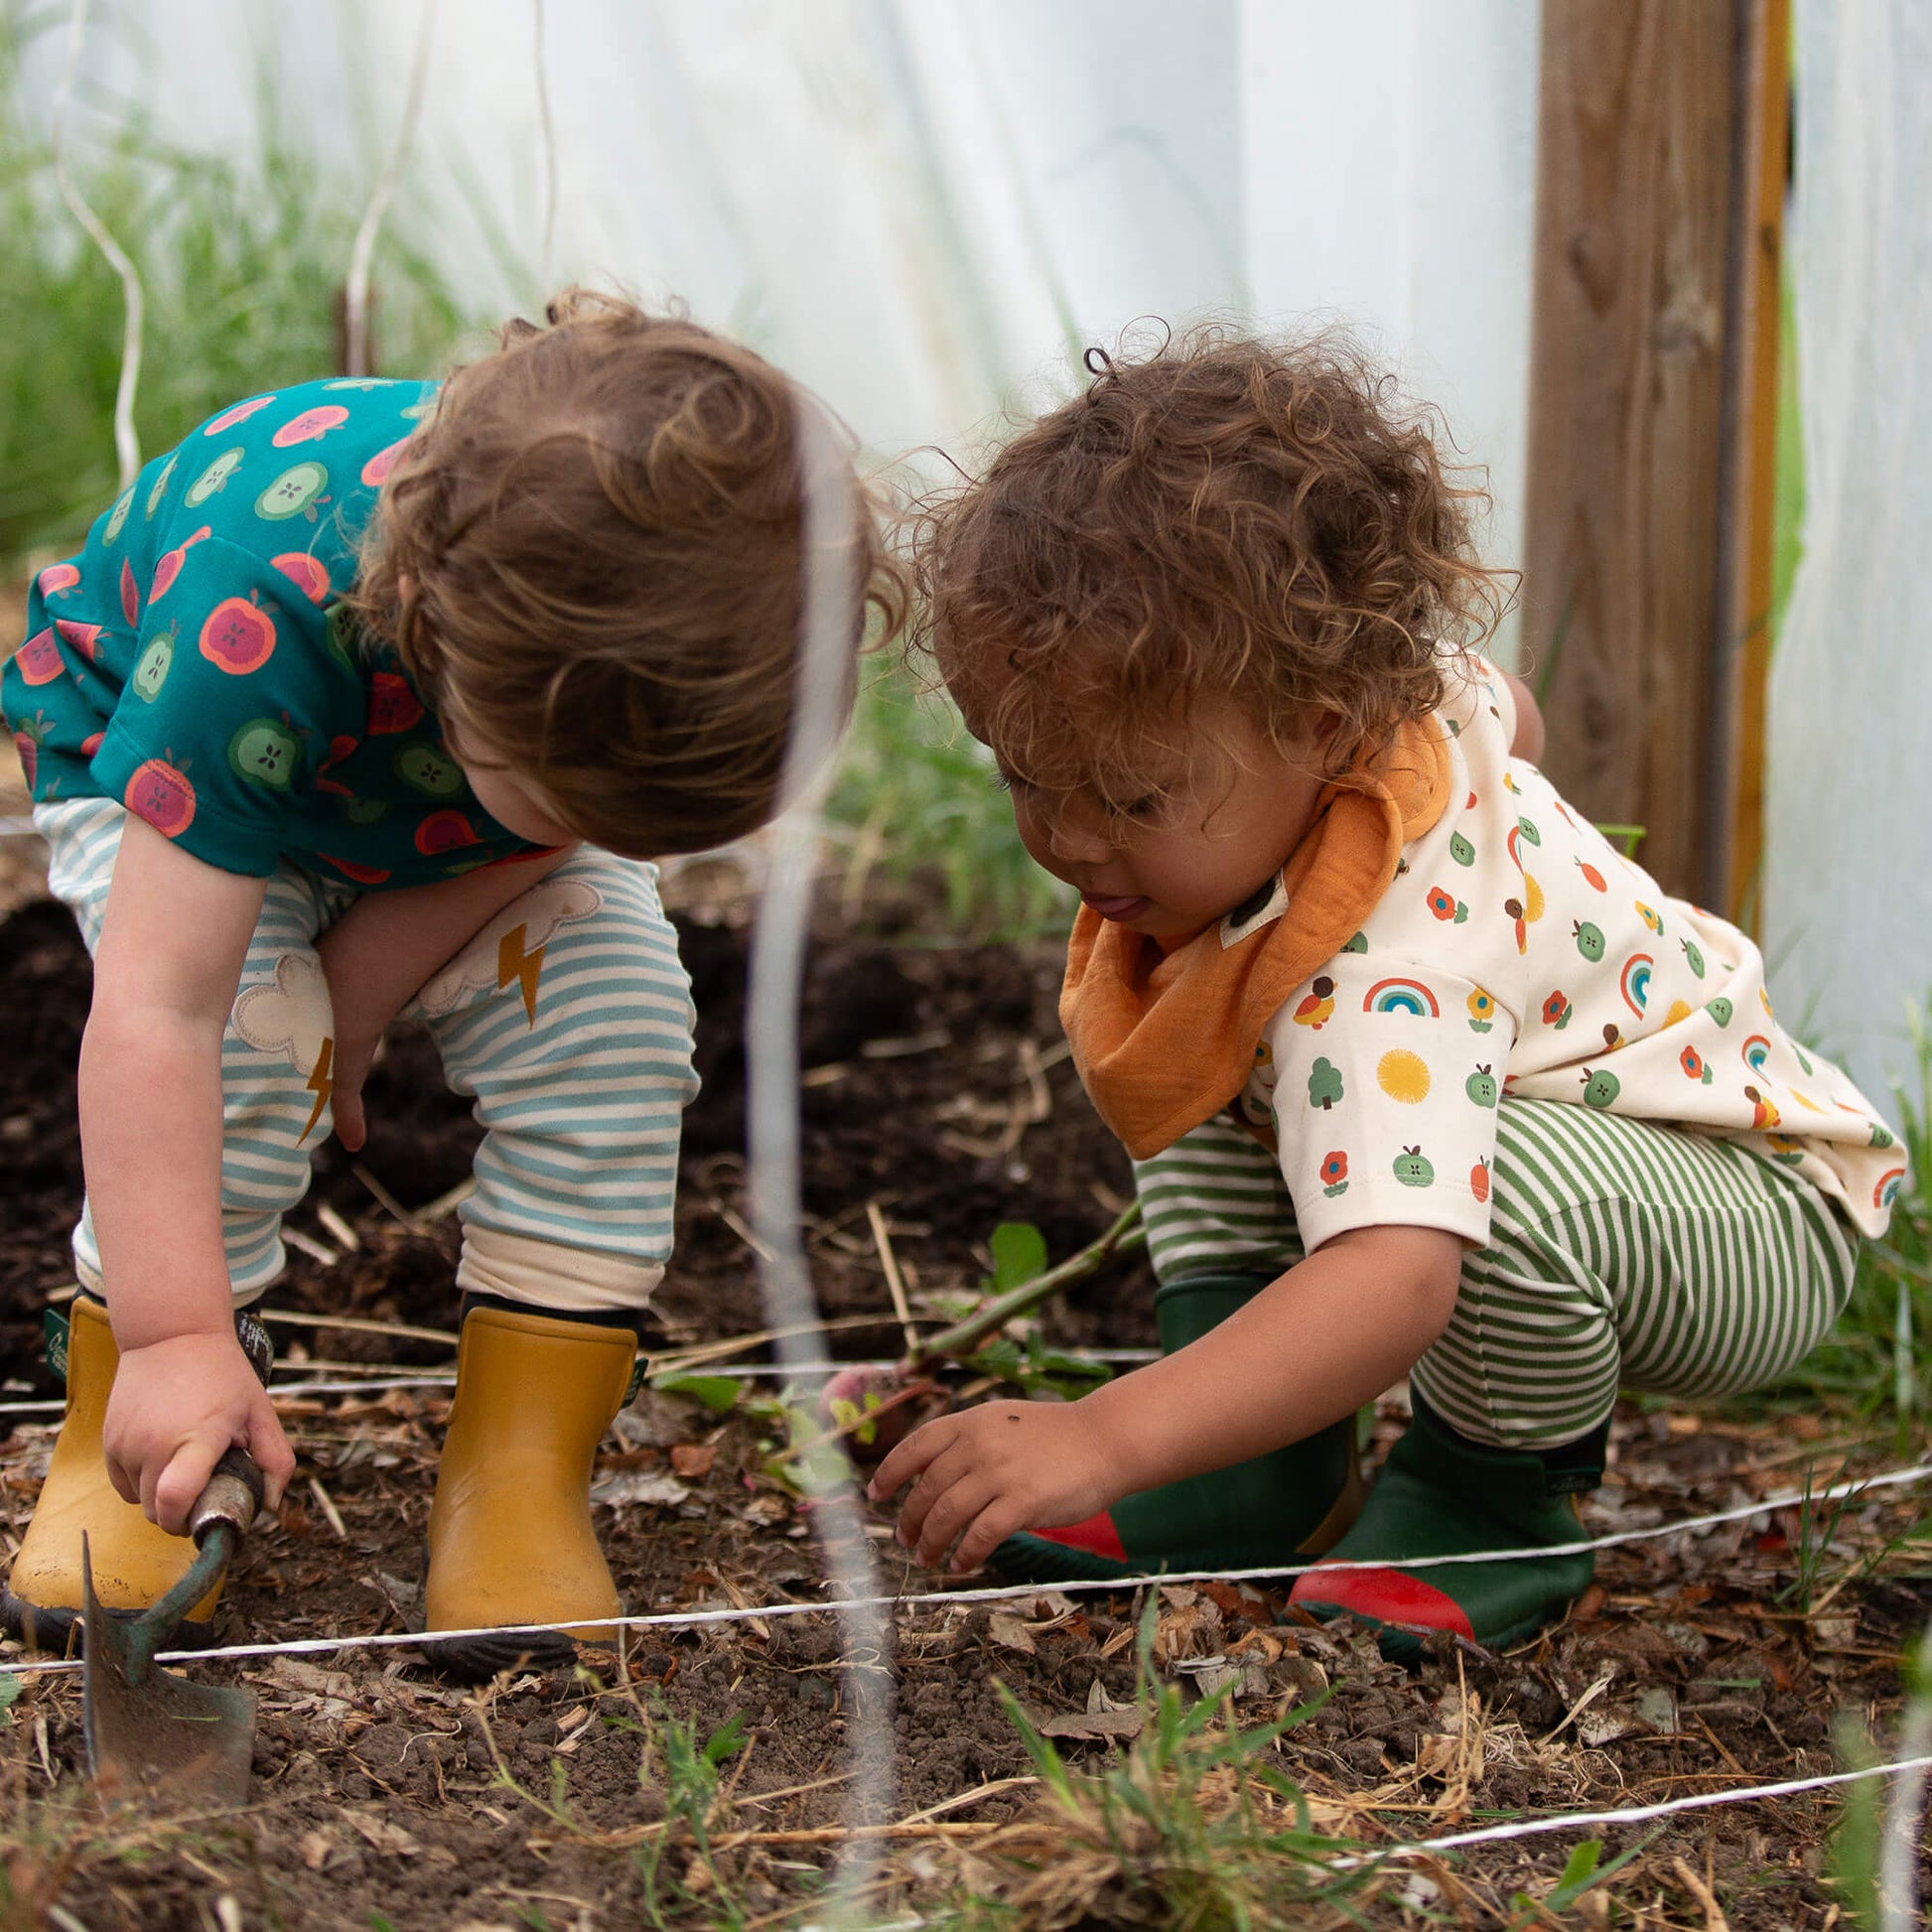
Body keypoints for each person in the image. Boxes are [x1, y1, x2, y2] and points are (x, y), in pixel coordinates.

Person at [869, 327, 1903, 1659]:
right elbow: (1507, 709)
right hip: (1605, 1152)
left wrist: (1103, 1438)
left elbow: (1393, 1280)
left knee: (1490, 1185)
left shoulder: (1386, 977)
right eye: (1024, 775)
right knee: (1190, 1032)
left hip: (1752, 1209)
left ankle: (1488, 1500)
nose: (1067, 837)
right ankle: (1260, 1470)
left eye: (1127, 793)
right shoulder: (1384, 708)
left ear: (1321, 727)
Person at [2, 291, 900, 1675]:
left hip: (440, 808)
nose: (591, 824)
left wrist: (360, 997)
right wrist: (183, 1329)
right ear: (429, 618)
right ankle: (129, 1428)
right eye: (577, 791)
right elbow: (157, 1007)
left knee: (617, 1014)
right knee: (250, 1029)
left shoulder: (625, 631)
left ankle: (515, 1473)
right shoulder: (262, 594)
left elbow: (546, 820)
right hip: (173, 757)